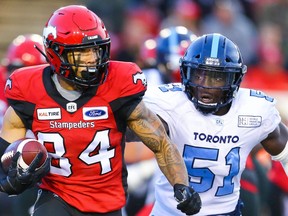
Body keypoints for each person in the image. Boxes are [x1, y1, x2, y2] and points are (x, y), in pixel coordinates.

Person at [0, 5, 201, 216]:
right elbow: (4, 151)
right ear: (55, 53)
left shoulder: (118, 85)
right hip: (57, 196)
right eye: (81, 53)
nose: (92, 60)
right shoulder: (30, 90)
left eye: (95, 50)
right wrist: (8, 179)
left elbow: (161, 143)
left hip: (107, 202)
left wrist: (181, 185)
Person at [141, 33, 288, 215]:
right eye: (198, 75)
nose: (205, 86)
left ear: (234, 79)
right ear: (185, 72)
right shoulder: (165, 102)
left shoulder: (255, 110)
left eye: (217, 77)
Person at [0, 33, 47, 216]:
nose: (18, 77)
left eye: (26, 70)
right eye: (14, 69)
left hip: (43, 175)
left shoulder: (54, 97)